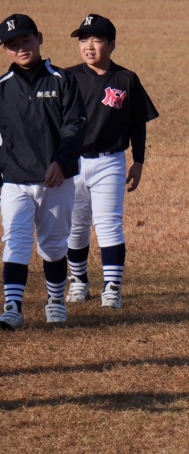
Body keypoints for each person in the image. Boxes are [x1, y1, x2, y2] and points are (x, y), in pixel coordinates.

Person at [65, 14, 159, 309]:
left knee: (109, 224)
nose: (89, 46)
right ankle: (79, 281)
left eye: (97, 40)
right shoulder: (67, 78)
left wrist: (139, 161)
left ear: (112, 44)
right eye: (83, 39)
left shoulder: (126, 79)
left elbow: (137, 123)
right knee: (75, 226)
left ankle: (112, 287)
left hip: (110, 161)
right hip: (72, 162)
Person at [0, 14, 86, 330]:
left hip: (55, 180)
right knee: (15, 241)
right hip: (15, 180)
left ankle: (55, 300)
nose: (21, 48)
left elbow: (74, 125)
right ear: (5, 49)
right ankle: (12, 307)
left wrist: (61, 162)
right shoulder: (2, 88)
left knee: (53, 245)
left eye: (26, 40)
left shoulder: (63, 80)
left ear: (39, 38)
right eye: (12, 44)